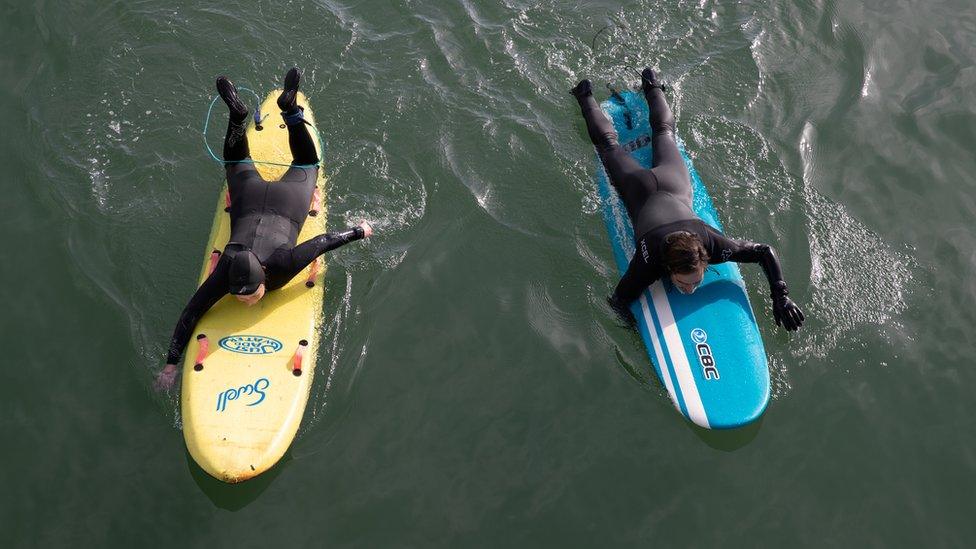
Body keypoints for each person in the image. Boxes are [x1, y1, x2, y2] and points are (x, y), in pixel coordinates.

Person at [155, 67, 372, 390]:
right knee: (269, 161)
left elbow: (325, 241)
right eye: (241, 296)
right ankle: (275, 112)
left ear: (262, 281)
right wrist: (170, 366)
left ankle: (267, 112)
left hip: (280, 203)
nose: (244, 301)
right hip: (261, 199)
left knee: (301, 164)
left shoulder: (266, 267)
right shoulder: (231, 273)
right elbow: (190, 313)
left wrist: (359, 232)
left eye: (248, 295)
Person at [571, 68, 804, 331]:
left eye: (694, 281)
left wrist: (781, 297)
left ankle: (650, 84)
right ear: (667, 268)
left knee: (659, 133)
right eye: (685, 283)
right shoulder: (648, 264)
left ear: (706, 260)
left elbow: (764, 252)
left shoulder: (713, 246)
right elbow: (619, 299)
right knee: (616, 143)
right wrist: (633, 328)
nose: (691, 290)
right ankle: (585, 93)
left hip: (669, 182)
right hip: (641, 187)